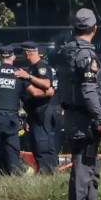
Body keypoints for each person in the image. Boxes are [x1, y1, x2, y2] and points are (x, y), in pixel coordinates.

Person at [59, 8, 101, 200]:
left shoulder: (68, 51)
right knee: (83, 171)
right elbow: (89, 90)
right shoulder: (86, 55)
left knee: (91, 170)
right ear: (95, 29)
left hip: (77, 117)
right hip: (85, 118)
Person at [0, 45, 54, 177]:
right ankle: (14, 178)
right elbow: (35, 92)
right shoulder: (19, 74)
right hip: (12, 119)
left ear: (1, 57)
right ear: (13, 57)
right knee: (12, 150)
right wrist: (49, 92)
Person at [15, 41, 60, 174]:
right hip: (44, 111)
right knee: (47, 144)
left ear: (27, 53)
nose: (22, 56)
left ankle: (46, 171)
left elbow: (46, 84)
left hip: (44, 111)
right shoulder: (39, 67)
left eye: (23, 53)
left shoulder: (40, 67)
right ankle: (50, 170)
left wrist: (27, 76)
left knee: (42, 144)